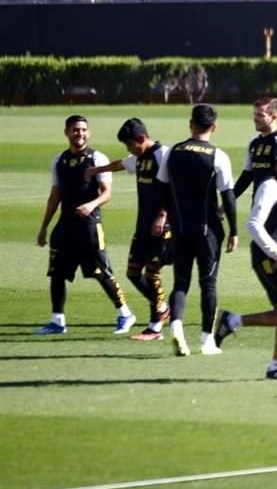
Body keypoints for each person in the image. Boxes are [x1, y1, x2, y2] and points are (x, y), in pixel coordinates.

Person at [214, 142, 277, 381]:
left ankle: (231, 321)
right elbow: (253, 224)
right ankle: (275, 366)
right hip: (271, 258)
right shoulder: (269, 186)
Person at [35, 115, 135, 335]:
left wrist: (92, 205)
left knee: (102, 271)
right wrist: (44, 227)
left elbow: (107, 193)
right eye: (74, 130)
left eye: (83, 130)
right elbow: (54, 197)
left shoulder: (97, 158)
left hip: (89, 226)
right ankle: (57, 321)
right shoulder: (58, 160)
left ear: (88, 133)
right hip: (64, 226)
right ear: (66, 133)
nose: (79, 133)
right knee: (57, 274)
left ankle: (125, 314)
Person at [157, 104, 238, 356]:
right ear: (213, 127)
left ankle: (177, 327)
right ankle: (206, 341)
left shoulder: (172, 152)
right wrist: (234, 231)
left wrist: (166, 217)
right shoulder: (218, 156)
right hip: (208, 232)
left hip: (180, 229)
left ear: (190, 124)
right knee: (208, 284)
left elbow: (161, 189)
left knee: (181, 282)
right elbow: (228, 197)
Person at [84, 118, 172, 340]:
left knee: (152, 274)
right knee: (133, 273)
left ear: (141, 139)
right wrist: (97, 170)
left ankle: (155, 327)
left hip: (162, 226)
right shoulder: (140, 159)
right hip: (143, 225)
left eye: (130, 144)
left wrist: (163, 215)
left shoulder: (164, 156)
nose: (129, 150)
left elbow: (174, 189)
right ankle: (162, 308)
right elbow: (121, 164)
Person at [232, 97, 277, 199]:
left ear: (274, 117)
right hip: (258, 204)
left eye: (260, 115)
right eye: (254, 114)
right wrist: (227, 203)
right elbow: (246, 176)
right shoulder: (253, 143)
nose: (255, 119)